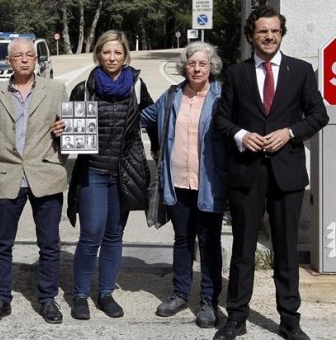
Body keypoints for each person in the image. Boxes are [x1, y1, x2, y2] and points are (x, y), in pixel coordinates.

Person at [213, 6, 328, 340]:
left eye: (274, 31)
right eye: (262, 31)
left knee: (287, 251)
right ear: (252, 35)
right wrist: (242, 135)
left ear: (281, 34)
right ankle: (236, 317)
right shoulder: (236, 74)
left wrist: (290, 133)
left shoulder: (301, 71)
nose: (269, 37)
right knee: (242, 251)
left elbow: (318, 115)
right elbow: (222, 119)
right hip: (247, 174)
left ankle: (290, 320)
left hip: (287, 175)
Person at [66, 30, 153, 320]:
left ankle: (105, 294)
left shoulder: (136, 87)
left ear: (125, 55)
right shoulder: (84, 89)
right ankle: (79, 295)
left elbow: (154, 122)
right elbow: (72, 137)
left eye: (117, 52)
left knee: (115, 235)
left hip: (124, 172)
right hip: (93, 172)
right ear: (98, 54)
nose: (112, 57)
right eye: (106, 52)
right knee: (91, 234)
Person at [140, 41, 228, 328]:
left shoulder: (222, 96)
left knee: (209, 242)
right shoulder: (171, 95)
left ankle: (208, 300)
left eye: (203, 63)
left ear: (211, 66)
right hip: (176, 182)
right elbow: (144, 118)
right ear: (184, 67)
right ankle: (179, 293)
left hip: (209, 183)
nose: (197, 68)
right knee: (182, 239)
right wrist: (102, 115)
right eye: (192, 63)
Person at [0, 37, 68, 324]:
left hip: (45, 174)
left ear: (36, 60)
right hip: (10, 175)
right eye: (18, 55)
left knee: (49, 243)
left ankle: (47, 299)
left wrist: (63, 133)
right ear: (9, 61)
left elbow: (68, 135)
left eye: (29, 55)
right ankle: (0, 298)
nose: (24, 59)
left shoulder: (56, 90)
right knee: (2, 242)